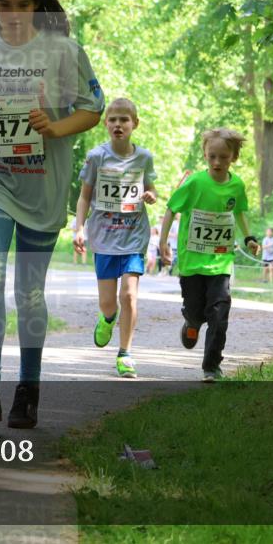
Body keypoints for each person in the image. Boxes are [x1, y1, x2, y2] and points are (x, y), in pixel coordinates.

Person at [0, 0, 104, 428]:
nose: (13, 14)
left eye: (23, 4)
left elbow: (93, 109)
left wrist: (53, 128)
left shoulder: (63, 51)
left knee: (30, 293)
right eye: (3, 5)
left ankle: (28, 391)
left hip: (43, 184)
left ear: (38, 4)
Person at [159, 128, 259, 382]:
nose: (217, 162)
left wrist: (248, 238)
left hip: (221, 262)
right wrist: (163, 243)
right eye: (212, 156)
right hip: (192, 263)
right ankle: (191, 324)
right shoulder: (195, 183)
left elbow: (240, 212)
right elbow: (171, 209)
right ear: (205, 154)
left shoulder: (236, 185)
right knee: (196, 311)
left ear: (233, 157)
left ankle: (211, 366)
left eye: (223, 157)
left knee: (219, 311)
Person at [73, 97, 157, 378]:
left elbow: (152, 190)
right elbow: (84, 197)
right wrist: (79, 228)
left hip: (133, 237)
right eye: (113, 119)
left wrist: (150, 196)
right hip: (104, 237)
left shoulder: (143, 157)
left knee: (129, 295)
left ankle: (125, 354)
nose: (118, 124)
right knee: (109, 303)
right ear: (106, 123)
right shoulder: (97, 156)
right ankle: (107, 319)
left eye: (124, 119)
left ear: (135, 123)